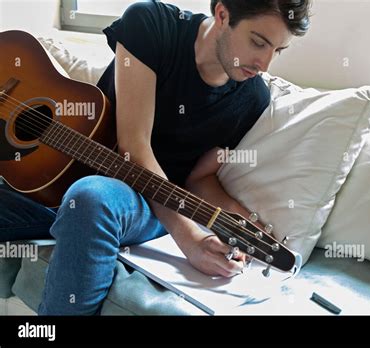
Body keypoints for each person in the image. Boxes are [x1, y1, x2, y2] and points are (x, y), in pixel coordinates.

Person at [0, 0, 311, 315]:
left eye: (278, 50)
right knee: (79, 200)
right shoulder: (151, 24)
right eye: (258, 42)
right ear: (222, 14)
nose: (265, 64)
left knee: (92, 197)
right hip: (52, 176)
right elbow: (134, 146)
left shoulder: (252, 97)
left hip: (143, 201)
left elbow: (199, 177)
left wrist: (238, 218)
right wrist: (189, 239)